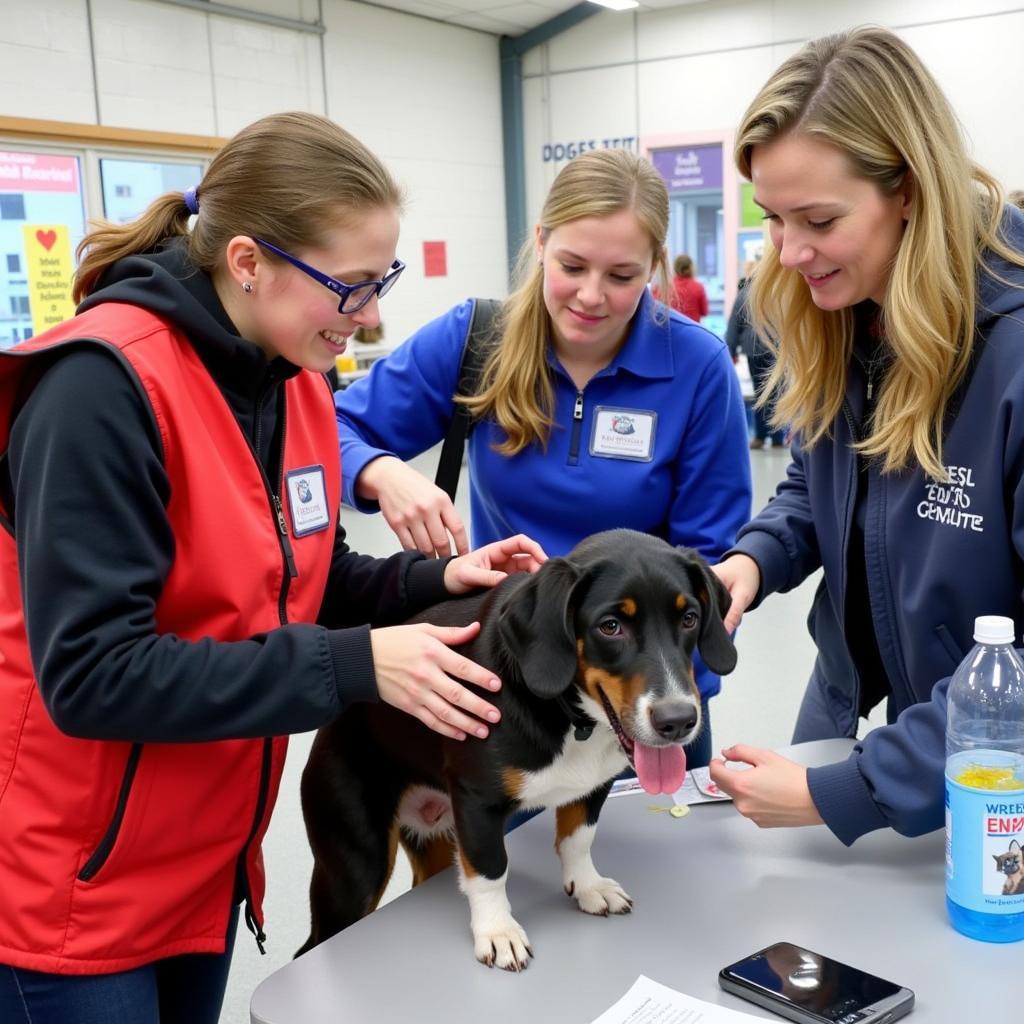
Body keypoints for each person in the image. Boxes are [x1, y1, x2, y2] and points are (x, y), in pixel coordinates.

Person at [0, 111, 545, 1024]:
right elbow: (91, 675)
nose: (373, 316)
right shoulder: (100, 390)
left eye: (385, 281)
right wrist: (356, 663)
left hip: (202, 863)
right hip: (75, 886)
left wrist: (429, 585)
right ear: (248, 262)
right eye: (353, 286)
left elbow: (298, 578)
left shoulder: (290, 382)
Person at [706, 28, 1024, 844]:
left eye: (818, 218)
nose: (790, 252)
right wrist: (756, 558)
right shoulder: (845, 317)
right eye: (773, 218)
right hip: (855, 714)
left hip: (993, 774)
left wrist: (847, 791)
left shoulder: (1014, 352)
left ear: (910, 189)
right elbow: (824, 487)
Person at [334, 149, 752, 770]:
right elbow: (327, 428)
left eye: (622, 275)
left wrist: (670, 695)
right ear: (540, 243)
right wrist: (379, 470)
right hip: (516, 686)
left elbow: (706, 564)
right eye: (572, 265)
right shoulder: (477, 340)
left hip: (645, 691)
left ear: (655, 268)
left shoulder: (696, 367)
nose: (591, 296)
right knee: (496, 866)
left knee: (661, 863)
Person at [726, 268, 787, 449]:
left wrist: (730, 351)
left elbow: (734, 325)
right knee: (777, 392)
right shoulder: (778, 293)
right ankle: (777, 437)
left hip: (753, 349)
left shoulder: (744, 294)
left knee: (759, 393)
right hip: (776, 349)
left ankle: (760, 436)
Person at [666, 253, 709, 322]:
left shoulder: (665, 287)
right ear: (691, 268)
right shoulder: (698, 287)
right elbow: (704, 312)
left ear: (675, 268)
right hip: (692, 329)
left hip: (671, 329)